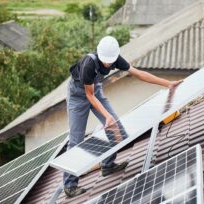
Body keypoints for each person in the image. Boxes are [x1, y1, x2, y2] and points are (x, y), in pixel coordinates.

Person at [64, 36, 182, 198]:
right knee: (76, 140)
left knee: (116, 126)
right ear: (100, 55)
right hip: (78, 95)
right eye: (106, 61)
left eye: (110, 62)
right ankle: (70, 185)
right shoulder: (88, 64)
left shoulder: (116, 59)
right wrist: (106, 116)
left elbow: (139, 74)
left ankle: (108, 165)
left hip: (95, 90)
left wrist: (167, 83)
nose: (108, 64)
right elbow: (89, 96)